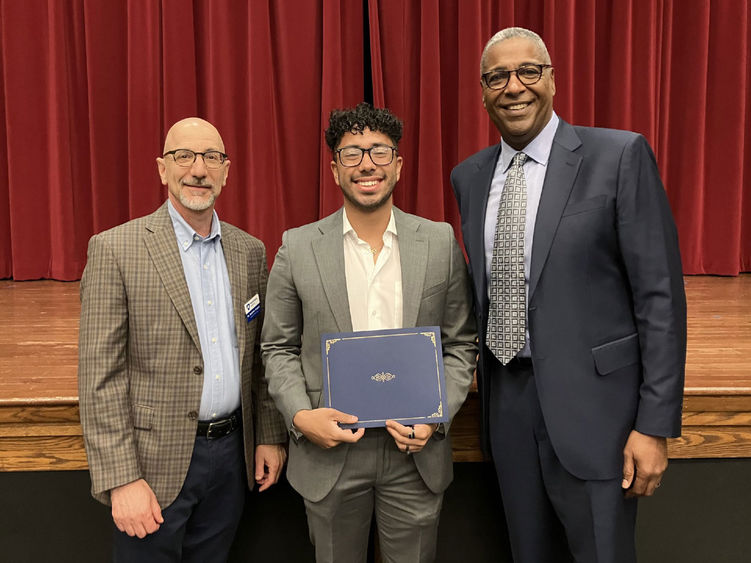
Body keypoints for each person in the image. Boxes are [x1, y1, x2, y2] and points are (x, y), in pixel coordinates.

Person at [451, 27, 687, 562]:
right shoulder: (468, 177)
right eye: (497, 77)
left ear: (552, 80)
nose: (514, 87)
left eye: (528, 72)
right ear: (483, 91)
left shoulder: (619, 155)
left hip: (598, 414)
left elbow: (660, 299)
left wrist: (654, 425)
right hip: (507, 408)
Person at [261, 102, 477, 562]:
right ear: (334, 169)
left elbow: (461, 344)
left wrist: (437, 414)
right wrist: (301, 417)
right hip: (330, 453)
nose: (366, 164)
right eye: (351, 153)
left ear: (397, 165)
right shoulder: (297, 247)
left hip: (414, 454)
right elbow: (277, 347)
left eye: (379, 151)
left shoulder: (439, 242)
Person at [78, 117, 287, 562]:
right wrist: (122, 478)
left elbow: (259, 359)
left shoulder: (249, 251)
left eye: (211, 157)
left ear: (226, 171)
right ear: (162, 168)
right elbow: (100, 378)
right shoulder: (116, 249)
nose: (198, 169)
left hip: (232, 459)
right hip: (152, 468)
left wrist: (268, 434)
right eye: (184, 157)